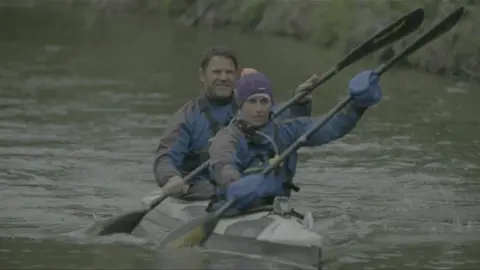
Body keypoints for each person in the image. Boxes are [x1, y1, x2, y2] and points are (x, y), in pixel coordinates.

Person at [207, 70, 382, 212]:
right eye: (252, 101)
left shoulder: (286, 130)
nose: (259, 109)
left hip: (275, 209)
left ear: (271, 103)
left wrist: (357, 105)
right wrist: (235, 185)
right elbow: (223, 166)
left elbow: (332, 127)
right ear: (240, 104)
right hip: (234, 208)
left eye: (264, 101)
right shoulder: (226, 138)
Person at [153, 46, 314, 200]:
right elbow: (166, 158)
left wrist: (299, 103)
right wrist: (171, 177)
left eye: (229, 72)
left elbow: (284, 124)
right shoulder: (185, 118)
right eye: (216, 72)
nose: (223, 78)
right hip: (204, 194)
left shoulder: (254, 105)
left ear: (236, 76)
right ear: (202, 75)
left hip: (250, 189)